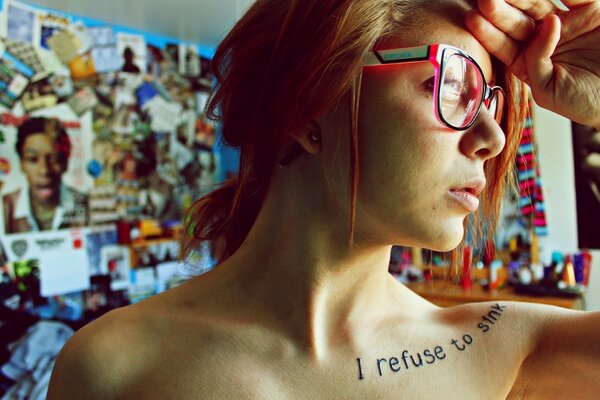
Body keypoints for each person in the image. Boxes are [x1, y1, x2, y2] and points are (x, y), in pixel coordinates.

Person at [47, 0, 600, 398]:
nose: (493, 138)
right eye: (454, 85)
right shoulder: (110, 366)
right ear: (310, 106)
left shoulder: (510, 348)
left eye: (494, 102)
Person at [2, 117, 88, 233]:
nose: (44, 170)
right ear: (21, 164)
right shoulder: (4, 208)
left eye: (54, 159)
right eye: (32, 159)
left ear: (65, 163)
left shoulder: (87, 206)